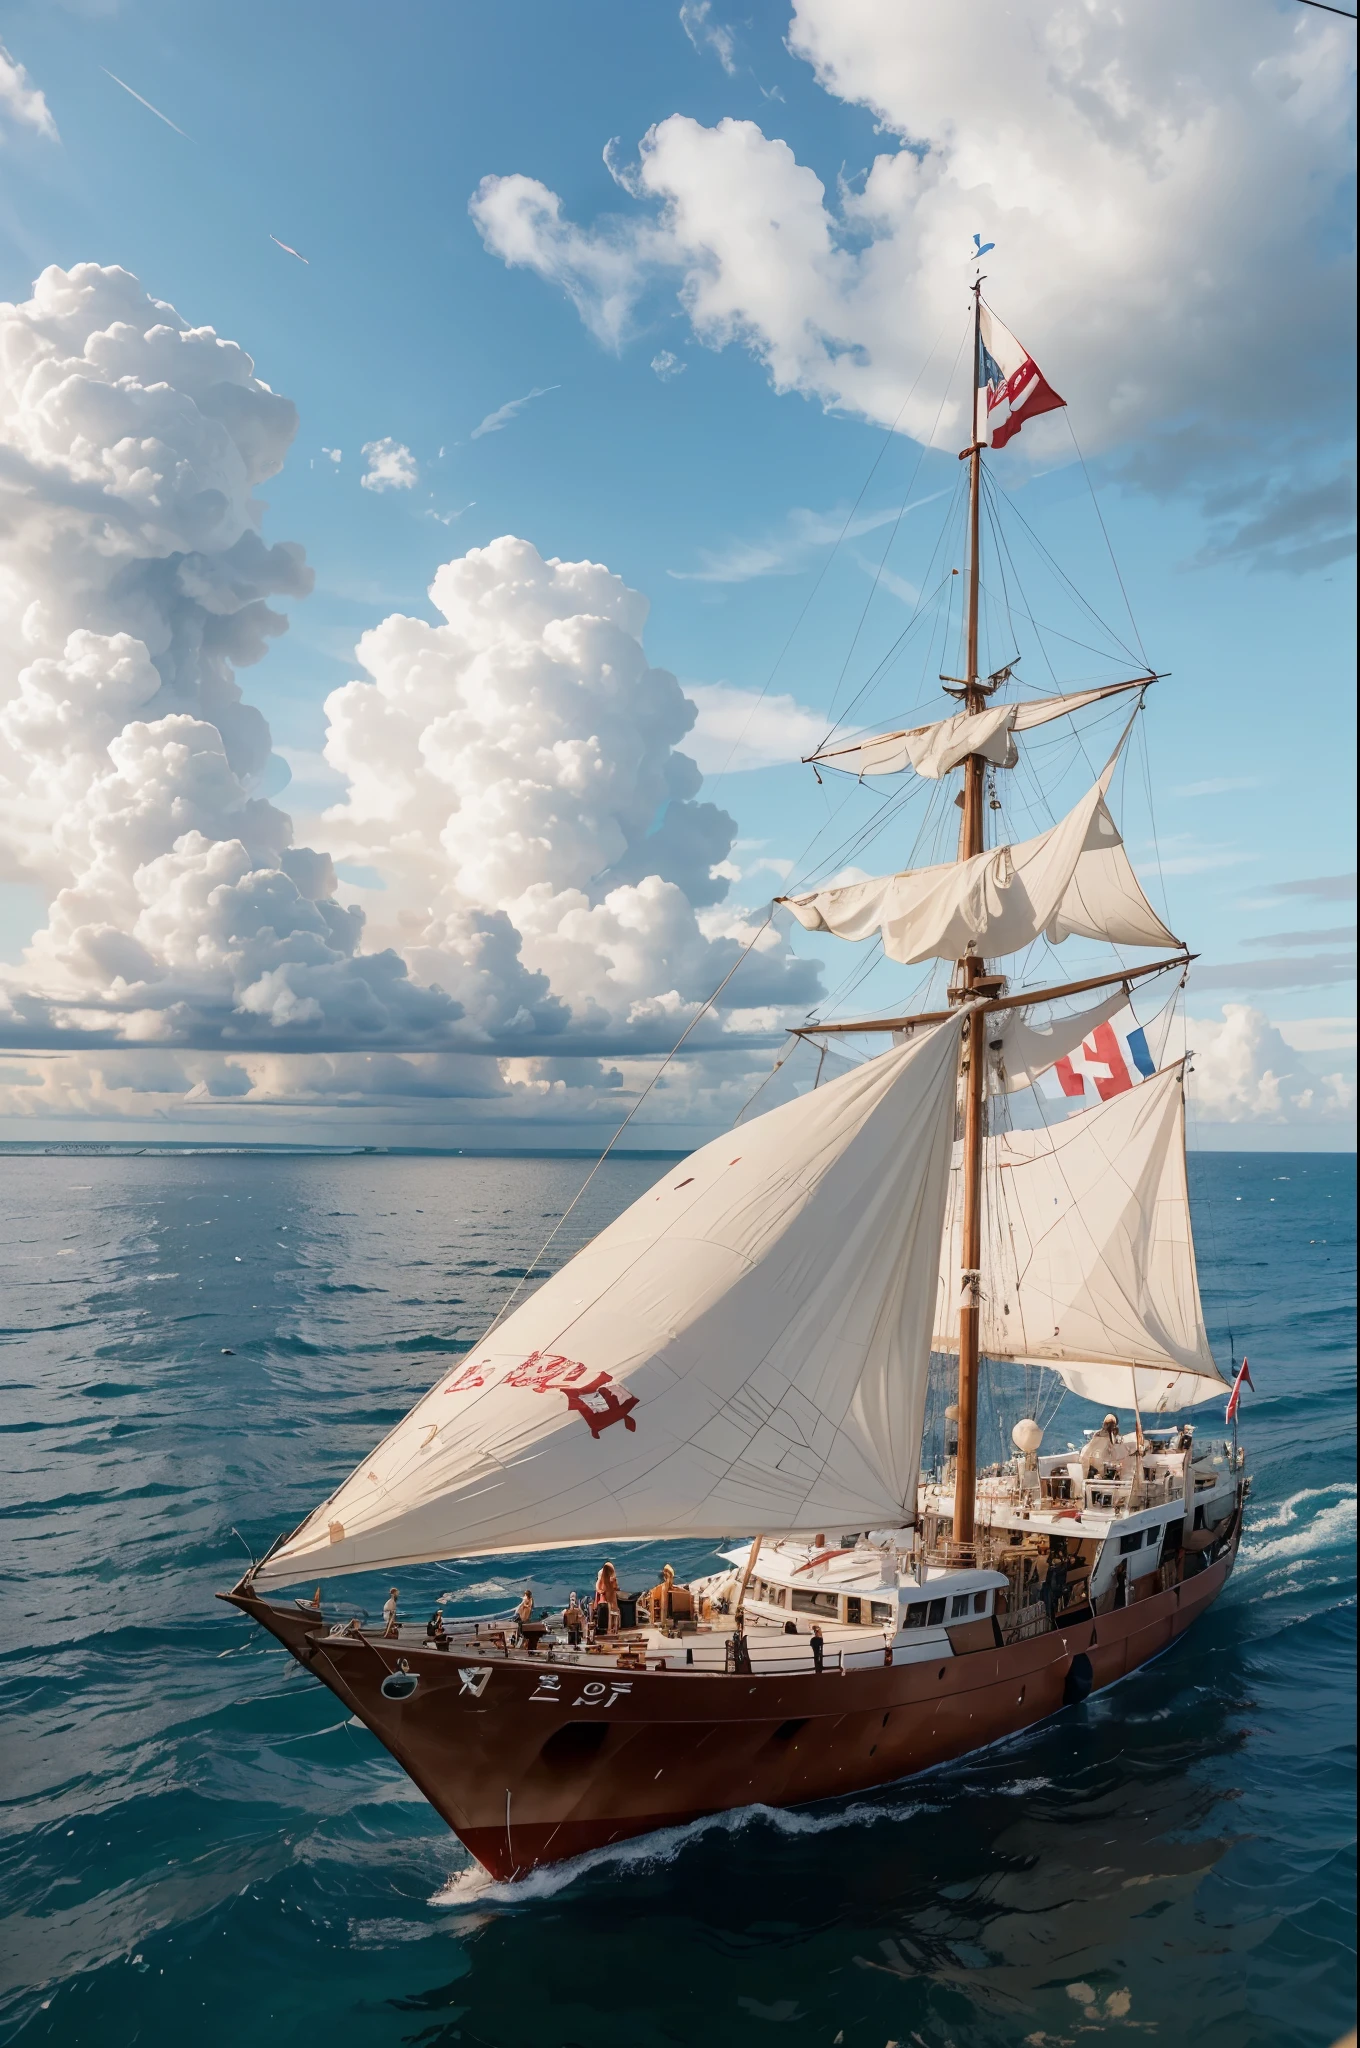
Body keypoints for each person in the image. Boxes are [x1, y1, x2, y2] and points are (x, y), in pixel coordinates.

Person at [594, 1561, 621, 1638]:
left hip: (607, 1596)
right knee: (613, 1611)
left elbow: (598, 1586)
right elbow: (616, 1587)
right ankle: (612, 1629)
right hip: (609, 1597)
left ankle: (610, 1629)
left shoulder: (602, 1575)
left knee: (612, 1611)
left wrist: (601, 1591)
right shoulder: (610, 1577)